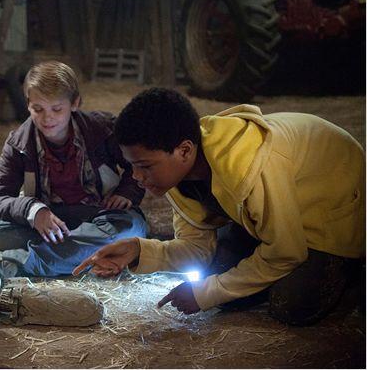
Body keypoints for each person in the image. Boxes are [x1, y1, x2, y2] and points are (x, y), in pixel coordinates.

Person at [74, 88, 365, 325]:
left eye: (145, 166)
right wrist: (139, 250)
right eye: (132, 166)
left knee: (292, 304)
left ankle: (350, 268)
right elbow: (196, 248)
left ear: (184, 150)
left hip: (335, 209)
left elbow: (286, 251)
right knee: (216, 269)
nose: (137, 177)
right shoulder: (178, 175)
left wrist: (207, 294)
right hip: (275, 216)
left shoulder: (249, 167)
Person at [0, 61, 147, 283]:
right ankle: (86, 251)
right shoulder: (18, 143)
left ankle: (11, 264)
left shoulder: (102, 128)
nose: (47, 118)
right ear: (28, 104)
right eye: (38, 109)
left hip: (100, 213)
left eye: (57, 109)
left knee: (131, 228)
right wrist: (33, 210)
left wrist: (127, 191)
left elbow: (138, 164)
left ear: (75, 103)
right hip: (51, 219)